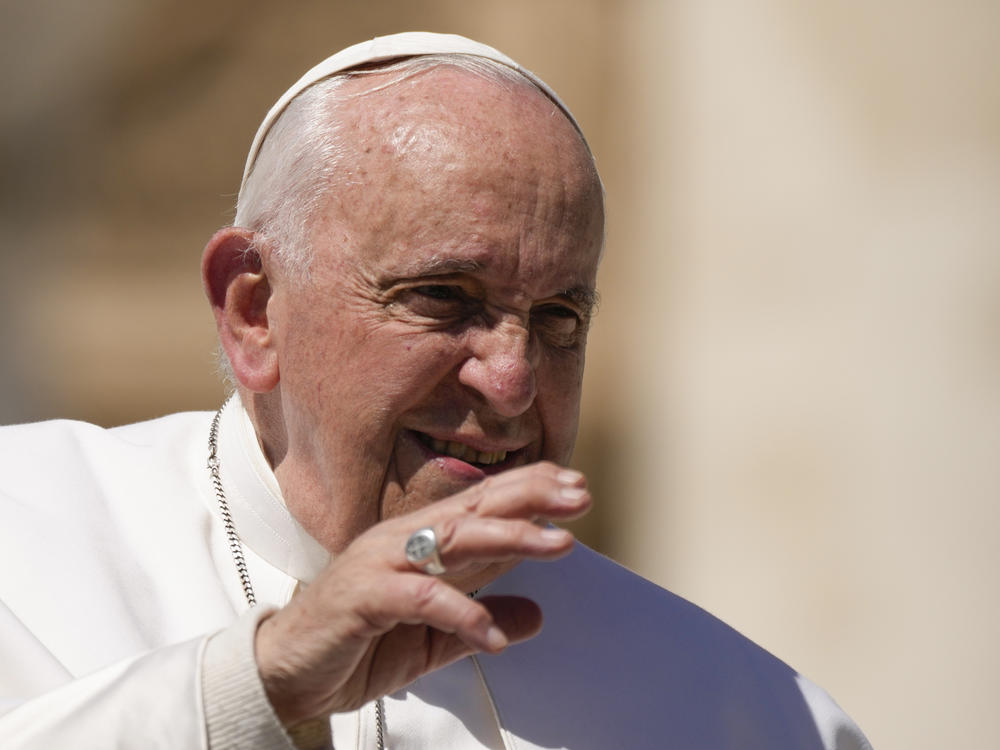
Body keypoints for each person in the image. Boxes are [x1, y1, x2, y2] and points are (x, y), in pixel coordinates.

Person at [0, 32, 872, 749]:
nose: (512, 381)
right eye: (444, 297)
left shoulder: (736, 710)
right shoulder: (23, 533)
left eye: (561, 317)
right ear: (253, 309)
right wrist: (254, 682)